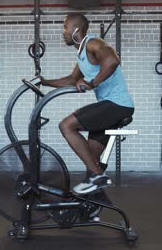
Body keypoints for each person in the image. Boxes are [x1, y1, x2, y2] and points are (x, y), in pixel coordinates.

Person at [40, 14, 134, 195]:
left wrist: (92, 83)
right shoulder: (81, 55)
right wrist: (44, 82)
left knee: (66, 125)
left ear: (76, 30)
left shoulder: (93, 43)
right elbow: (70, 80)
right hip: (112, 106)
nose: (63, 32)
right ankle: (92, 206)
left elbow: (112, 60)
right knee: (90, 156)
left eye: (65, 27)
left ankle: (98, 176)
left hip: (117, 105)